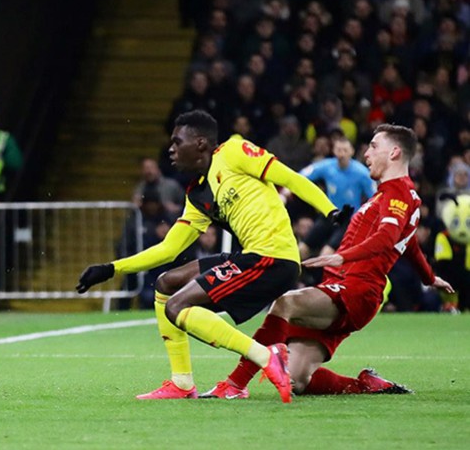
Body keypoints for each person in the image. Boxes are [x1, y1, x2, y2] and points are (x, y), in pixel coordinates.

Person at [76, 110, 346, 402]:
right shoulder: (198, 195)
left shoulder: (234, 151)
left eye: (177, 142)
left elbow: (290, 178)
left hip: (272, 258)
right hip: (250, 257)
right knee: (167, 283)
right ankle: (181, 383)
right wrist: (110, 269)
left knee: (177, 307)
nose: (171, 149)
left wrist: (328, 208)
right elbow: (169, 249)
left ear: (201, 143)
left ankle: (267, 357)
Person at [205, 124, 454, 398]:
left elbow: (387, 237)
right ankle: (365, 384)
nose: (366, 152)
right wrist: (429, 278)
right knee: (297, 379)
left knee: (285, 302)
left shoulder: (398, 192)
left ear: (394, 152)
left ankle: (234, 384)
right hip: (345, 287)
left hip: (355, 290)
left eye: (373, 146)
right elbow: (409, 244)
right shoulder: (390, 194)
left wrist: (341, 256)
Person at [297, 135, 375, 259]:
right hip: (329, 214)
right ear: (334, 151)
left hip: (348, 220)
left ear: (351, 151)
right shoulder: (327, 166)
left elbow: (375, 197)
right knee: (301, 249)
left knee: (326, 254)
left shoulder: (362, 173)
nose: (342, 154)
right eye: (339, 150)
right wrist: (286, 189)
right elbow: (302, 175)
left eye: (345, 150)